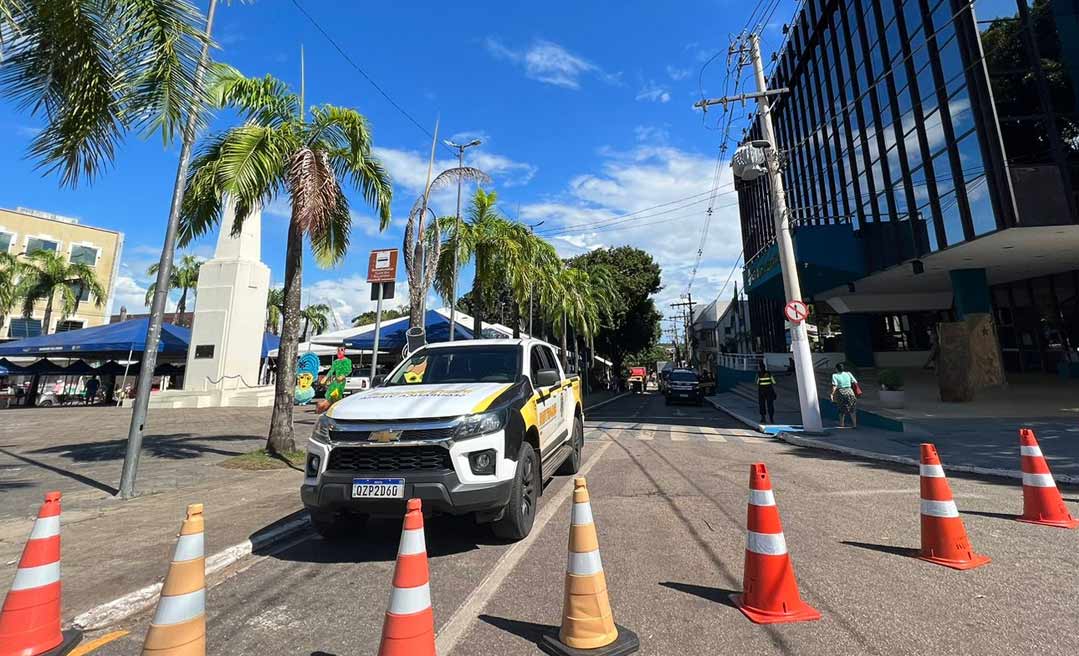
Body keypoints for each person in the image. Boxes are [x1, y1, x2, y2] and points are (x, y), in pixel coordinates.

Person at [831, 363, 859, 428]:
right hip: (850, 392)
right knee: (852, 409)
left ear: (836, 369)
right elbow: (855, 382)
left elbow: (835, 385)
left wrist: (832, 394)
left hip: (841, 392)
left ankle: (842, 424)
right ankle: (854, 424)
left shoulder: (834, 375)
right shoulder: (848, 373)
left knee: (841, 409)